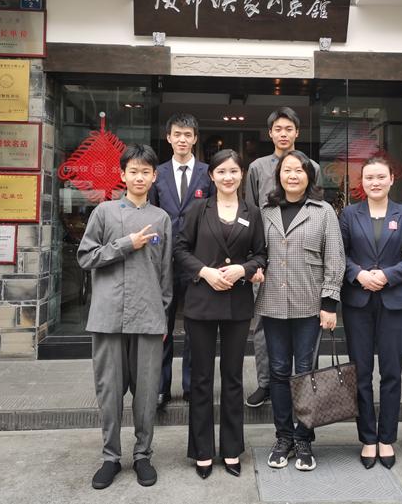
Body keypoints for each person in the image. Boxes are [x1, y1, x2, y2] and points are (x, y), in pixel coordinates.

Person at [77, 144, 173, 489]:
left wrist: (163, 315)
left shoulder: (161, 218)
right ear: (122, 175)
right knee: (109, 389)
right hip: (108, 315)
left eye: (145, 172)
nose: (139, 177)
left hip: (148, 315)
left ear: (154, 176)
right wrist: (125, 244)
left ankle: (143, 454)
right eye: (133, 171)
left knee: (147, 392)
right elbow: (85, 258)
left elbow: (165, 274)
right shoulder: (103, 212)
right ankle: (110, 457)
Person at [174, 149, 267, 479]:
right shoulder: (198, 209)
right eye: (222, 171)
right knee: (201, 379)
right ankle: (202, 450)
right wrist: (204, 272)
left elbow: (261, 254)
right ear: (211, 176)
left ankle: (231, 448)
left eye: (234, 171)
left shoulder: (252, 212)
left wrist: (244, 268)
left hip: (236, 304)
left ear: (242, 175)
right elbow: (180, 249)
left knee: (232, 378)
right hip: (201, 301)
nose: (228, 177)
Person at [256, 150, 343, 472]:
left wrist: (329, 303)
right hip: (272, 303)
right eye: (287, 170)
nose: (293, 176)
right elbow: (256, 253)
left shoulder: (323, 211)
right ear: (278, 175)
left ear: (309, 176)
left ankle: (304, 437)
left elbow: (335, 258)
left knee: (305, 371)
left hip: (309, 304)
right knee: (278, 371)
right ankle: (283, 437)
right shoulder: (266, 211)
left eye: (299, 170)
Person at [339, 157, 402, 469]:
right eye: (369, 178)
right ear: (361, 182)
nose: (375, 182)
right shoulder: (349, 214)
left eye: (380, 177)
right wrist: (359, 274)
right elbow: (339, 254)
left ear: (391, 179)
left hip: (394, 302)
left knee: (391, 372)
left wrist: (388, 275)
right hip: (358, 301)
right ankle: (367, 438)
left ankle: (386, 438)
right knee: (360, 372)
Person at [244, 107, 322, 408]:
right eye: (278, 129)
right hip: (267, 259)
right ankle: (266, 383)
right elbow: (250, 213)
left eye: (289, 128)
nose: (283, 134)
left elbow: (318, 209)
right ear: (270, 133)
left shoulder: (312, 166)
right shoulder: (257, 167)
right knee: (263, 324)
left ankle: (303, 386)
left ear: (297, 132)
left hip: (302, 261)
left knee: (306, 323)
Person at [149, 113, 214, 409]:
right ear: (169, 138)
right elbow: (151, 214)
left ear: (195, 138)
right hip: (163, 262)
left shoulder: (207, 173)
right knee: (162, 325)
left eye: (188, 135)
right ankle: (161, 387)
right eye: (177, 134)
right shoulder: (158, 173)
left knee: (195, 327)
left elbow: (213, 215)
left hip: (197, 261)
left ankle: (191, 385)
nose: (182, 140)